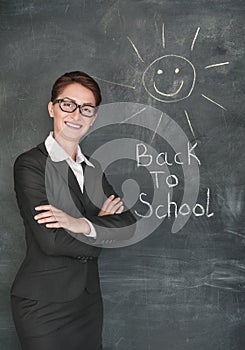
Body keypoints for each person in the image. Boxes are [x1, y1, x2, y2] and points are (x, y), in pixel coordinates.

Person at [11, 71, 136, 350]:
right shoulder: (31, 165)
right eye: (68, 104)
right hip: (42, 305)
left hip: (88, 304)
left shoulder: (92, 169)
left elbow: (128, 225)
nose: (76, 114)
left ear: (93, 117)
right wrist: (102, 228)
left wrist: (80, 224)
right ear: (51, 107)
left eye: (86, 108)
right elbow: (52, 241)